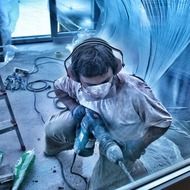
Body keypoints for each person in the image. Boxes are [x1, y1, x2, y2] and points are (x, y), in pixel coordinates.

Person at [44, 37, 182, 190]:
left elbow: (163, 122)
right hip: (90, 124)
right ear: (75, 75)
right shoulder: (72, 81)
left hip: (121, 139)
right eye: (90, 84)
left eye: (105, 81)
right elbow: (58, 88)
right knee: (54, 128)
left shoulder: (135, 91)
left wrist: (137, 145)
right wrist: (74, 108)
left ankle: (136, 168)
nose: (99, 89)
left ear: (115, 69)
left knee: (99, 187)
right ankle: (52, 148)